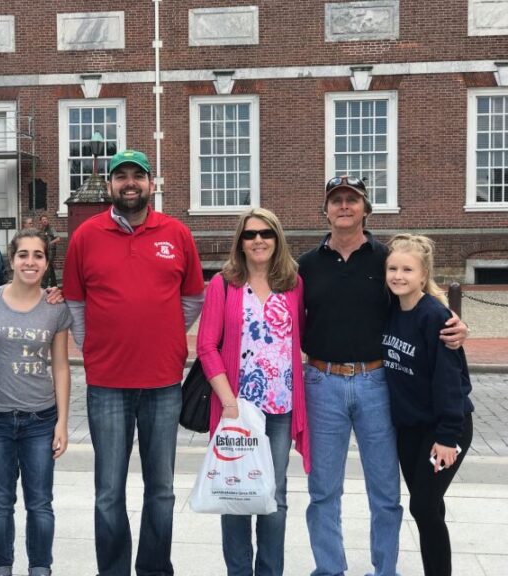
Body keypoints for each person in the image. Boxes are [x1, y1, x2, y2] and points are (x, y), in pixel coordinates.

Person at [298, 175, 468, 576]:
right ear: (325, 209)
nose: (343, 206)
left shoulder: (384, 259)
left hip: (377, 383)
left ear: (365, 209)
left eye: (351, 200)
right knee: (323, 491)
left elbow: (420, 290)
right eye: (336, 200)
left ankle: (385, 569)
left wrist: (454, 323)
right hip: (322, 382)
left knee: (385, 493)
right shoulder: (304, 265)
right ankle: (329, 568)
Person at [63, 149, 205, 576]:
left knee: (160, 490)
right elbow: (75, 302)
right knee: (108, 490)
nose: (130, 183)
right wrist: (99, 347)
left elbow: (192, 297)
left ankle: (155, 569)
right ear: (110, 185)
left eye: (137, 176)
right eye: (121, 176)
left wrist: (161, 334)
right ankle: (113, 570)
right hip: (107, 384)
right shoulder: (86, 236)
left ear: (150, 183)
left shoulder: (176, 233)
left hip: (162, 383)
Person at [196, 208, 310, 576]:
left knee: (274, 494)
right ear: (240, 243)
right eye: (250, 234)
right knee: (235, 494)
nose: (258, 240)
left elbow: (300, 338)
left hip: (280, 408)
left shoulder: (292, 284)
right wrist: (227, 400)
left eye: (266, 233)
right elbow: (206, 346)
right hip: (236, 410)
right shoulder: (223, 284)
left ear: (277, 239)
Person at [0, 228, 71, 576]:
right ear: (11, 260)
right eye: (23, 255)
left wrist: (62, 421)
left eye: (38, 255)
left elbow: (61, 366)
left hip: (40, 419)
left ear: (46, 263)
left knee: (40, 504)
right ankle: (1, 568)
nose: (30, 262)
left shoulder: (54, 307)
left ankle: (40, 568)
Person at [382, 234, 474, 576]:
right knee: (431, 505)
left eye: (407, 269)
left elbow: (450, 381)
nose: (398, 275)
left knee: (422, 506)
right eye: (392, 268)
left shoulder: (435, 317)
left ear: (423, 275)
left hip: (445, 428)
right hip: (410, 430)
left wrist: (448, 437)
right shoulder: (390, 310)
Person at [38, 214, 60, 288]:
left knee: (47, 266)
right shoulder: (41, 230)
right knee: (50, 266)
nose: (45, 221)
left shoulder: (51, 229)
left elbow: (58, 239)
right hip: (45, 250)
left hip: (51, 251)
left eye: (46, 219)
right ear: (40, 221)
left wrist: (50, 243)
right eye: (43, 219)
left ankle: (45, 284)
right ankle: (54, 283)